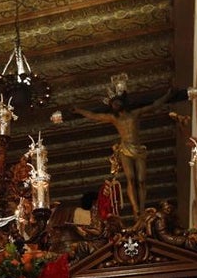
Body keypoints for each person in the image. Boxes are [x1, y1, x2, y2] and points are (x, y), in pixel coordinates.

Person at [73, 86, 173, 216]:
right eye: (112, 103)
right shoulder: (114, 118)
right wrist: (79, 110)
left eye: (117, 102)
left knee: (141, 181)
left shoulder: (135, 114)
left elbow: (153, 106)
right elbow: (95, 116)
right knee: (130, 179)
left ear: (122, 102)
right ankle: (136, 208)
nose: (115, 105)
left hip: (138, 149)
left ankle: (142, 207)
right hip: (125, 149)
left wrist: (167, 95)